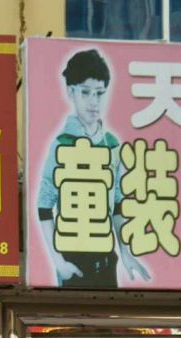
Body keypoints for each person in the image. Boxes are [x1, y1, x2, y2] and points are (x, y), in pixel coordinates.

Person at [37, 48, 150, 288]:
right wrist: (58, 262)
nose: (93, 101)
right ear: (71, 92)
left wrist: (126, 252)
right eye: (85, 92)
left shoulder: (112, 145)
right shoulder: (62, 144)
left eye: (99, 93)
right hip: (73, 265)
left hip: (108, 262)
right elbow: (44, 206)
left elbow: (117, 204)